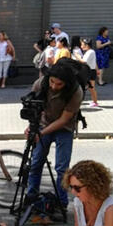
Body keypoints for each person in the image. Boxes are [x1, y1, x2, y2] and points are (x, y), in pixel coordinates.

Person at [25, 61, 84, 209]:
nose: (53, 87)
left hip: (65, 128)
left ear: (66, 83)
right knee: (36, 163)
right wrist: (31, 127)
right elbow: (34, 108)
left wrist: (41, 132)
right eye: (52, 82)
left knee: (61, 168)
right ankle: (31, 197)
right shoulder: (41, 83)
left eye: (59, 84)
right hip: (44, 123)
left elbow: (64, 119)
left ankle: (61, 202)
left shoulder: (76, 92)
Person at [79, 39, 99, 107]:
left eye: (82, 45)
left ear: (87, 45)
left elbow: (84, 61)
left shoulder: (91, 52)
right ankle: (94, 101)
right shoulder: (89, 52)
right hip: (89, 71)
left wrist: (76, 56)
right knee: (88, 87)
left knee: (91, 88)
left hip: (90, 71)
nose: (81, 46)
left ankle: (95, 102)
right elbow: (94, 62)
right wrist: (97, 69)